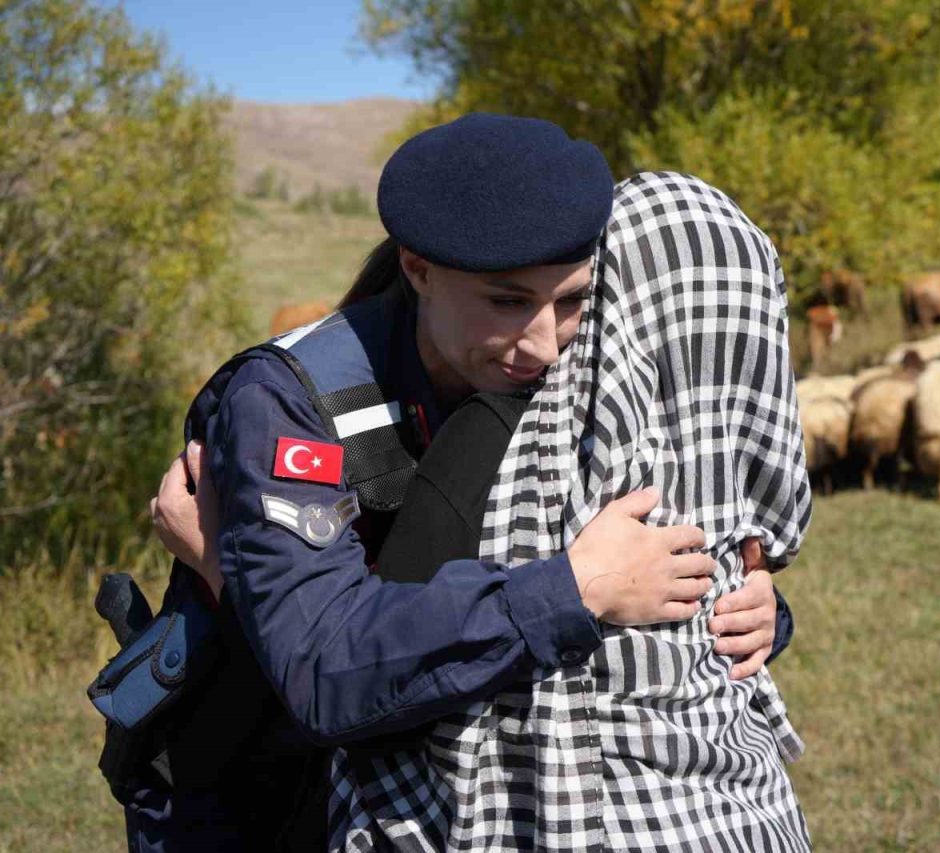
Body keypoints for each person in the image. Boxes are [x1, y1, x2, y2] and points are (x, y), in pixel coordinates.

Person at [136, 114, 785, 851]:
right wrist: (571, 589)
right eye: (506, 301)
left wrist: (748, 606)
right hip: (253, 784)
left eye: (571, 299)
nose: (543, 342)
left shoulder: (573, 365)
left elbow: (645, 545)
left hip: (424, 791)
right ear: (418, 269)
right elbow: (321, 667)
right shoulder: (288, 399)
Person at [329, 171, 813, 851]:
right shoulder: (733, 465)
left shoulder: (499, 435)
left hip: (553, 816)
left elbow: (378, 662)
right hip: (744, 816)